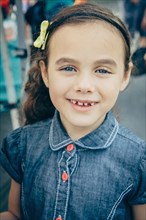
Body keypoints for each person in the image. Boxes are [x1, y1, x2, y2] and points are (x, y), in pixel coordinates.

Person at [0, 2, 146, 220]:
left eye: (102, 70)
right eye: (68, 68)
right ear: (46, 72)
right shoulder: (22, 145)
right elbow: (14, 213)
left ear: (125, 76)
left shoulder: (137, 160)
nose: (84, 85)